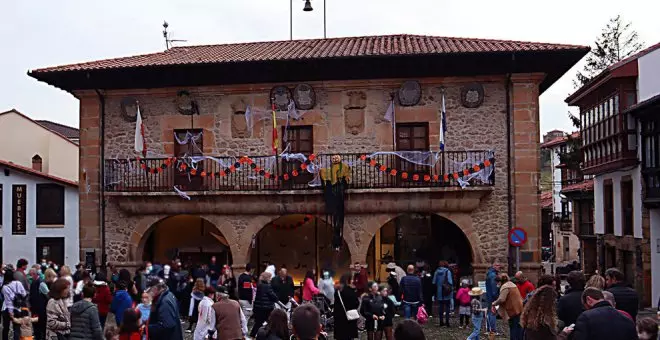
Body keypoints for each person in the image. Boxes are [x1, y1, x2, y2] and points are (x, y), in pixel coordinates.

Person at [568, 287, 637, 340]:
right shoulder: (626, 318)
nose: (585, 309)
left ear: (589, 300)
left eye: (584, 307)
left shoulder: (585, 318)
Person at [491, 273, 523, 340]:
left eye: (497, 282)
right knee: (518, 327)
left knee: (513, 328)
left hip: (513, 310)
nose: (497, 284)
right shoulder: (512, 284)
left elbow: (502, 299)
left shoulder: (505, 286)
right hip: (519, 308)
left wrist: (494, 303)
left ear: (500, 281)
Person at [251, 271, 280, 338]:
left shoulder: (260, 285)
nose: (271, 279)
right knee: (271, 322)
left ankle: (253, 335)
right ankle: (269, 336)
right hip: (266, 308)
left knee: (258, 322)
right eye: (270, 278)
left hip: (259, 307)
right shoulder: (267, 286)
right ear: (267, 278)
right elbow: (273, 296)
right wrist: (277, 298)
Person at [2, 269, 27, 340]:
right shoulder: (18, 283)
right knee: (17, 328)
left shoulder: (5, 287)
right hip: (18, 308)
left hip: (6, 310)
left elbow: (8, 301)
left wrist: (11, 312)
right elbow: (24, 294)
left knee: (6, 328)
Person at [334, 273, 359, 340]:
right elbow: (356, 303)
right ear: (348, 280)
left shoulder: (338, 291)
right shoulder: (350, 291)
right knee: (349, 337)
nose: (352, 281)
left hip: (339, 318)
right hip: (349, 318)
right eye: (351, 279)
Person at [432, 260, 453, 327]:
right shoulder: (448, 271)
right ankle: (447, 322)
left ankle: (441, 322)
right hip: (447, 292)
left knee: (440, 307)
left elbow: (434, 282)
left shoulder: (436, 271)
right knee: (447, 307)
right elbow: (450, 282)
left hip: (439, 292)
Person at [29, 267, 47, 340]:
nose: (30, 277)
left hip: (40, 307)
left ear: (35, 274)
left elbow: (47, 293)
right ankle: (37, 336)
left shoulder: (41, 283)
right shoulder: (34, 281)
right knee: (35, 323)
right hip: (35, 307)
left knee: (40, 323)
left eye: (31, 275)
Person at [485, 259, 502, 335]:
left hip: (489, 296)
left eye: (499, 265)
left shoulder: (490, 273)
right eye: (497, 265)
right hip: (492, 297)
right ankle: (493, 330)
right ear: (493, 266)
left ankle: (489, 330)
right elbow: (494, 288)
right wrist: (496, 298)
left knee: (490, 313)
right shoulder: (493, 275)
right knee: (492, 313)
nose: (499, 266)